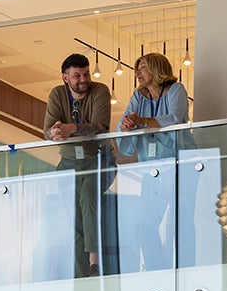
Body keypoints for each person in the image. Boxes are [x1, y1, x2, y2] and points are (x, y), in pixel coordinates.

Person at [109, 51, 192, 274]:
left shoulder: (176, 90)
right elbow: (122, 124)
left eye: (143, 67)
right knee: (144, 224)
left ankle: (186, 270)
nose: (137, 72)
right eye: (137, 68)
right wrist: (126, 125)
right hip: (152, 169)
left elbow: (175, 119)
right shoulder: (139, 96)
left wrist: (142, 121)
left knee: (179, 221)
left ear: (157, 69)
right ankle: (157, 270)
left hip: (179, 167)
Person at [43, 54, 112, 272]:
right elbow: (47, 131)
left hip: (98, 159)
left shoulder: (100, 90)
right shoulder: (57, 94)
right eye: (77, 75)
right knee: (69, 214)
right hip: (68, 161)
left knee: (88, 199)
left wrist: (71, 128)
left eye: (86, 74)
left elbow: (100, 127)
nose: (83, 79)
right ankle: (80, 270)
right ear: (65, 77)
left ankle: (94, 261)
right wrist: (55, 132)